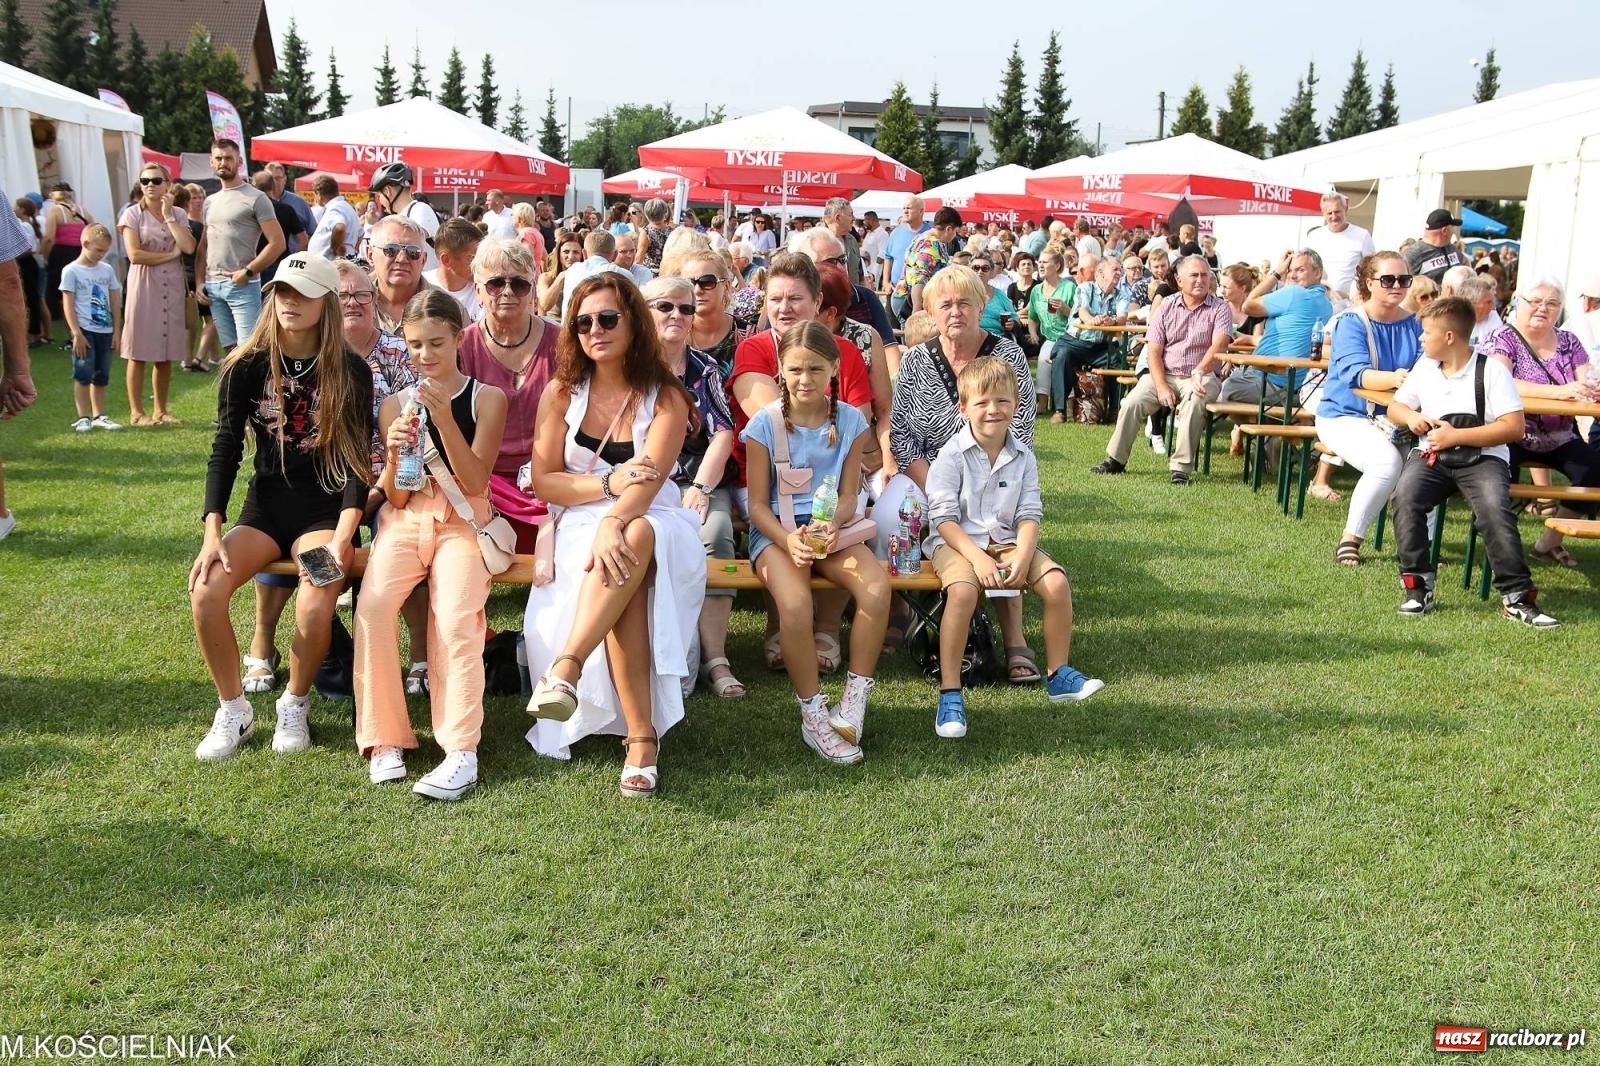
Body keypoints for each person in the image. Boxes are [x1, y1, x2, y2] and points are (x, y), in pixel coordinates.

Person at [522, 272, 705, 797]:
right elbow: (545, 481)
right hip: (580, 517)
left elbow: (648, 484)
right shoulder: (561, 393)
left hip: (655, 515)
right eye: (582, 323)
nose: (594, 330)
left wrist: (613, 518)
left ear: (633, 323)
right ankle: (641, 738)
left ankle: (567, 668)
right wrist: (606, 485)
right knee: (628, 564)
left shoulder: (666, 396)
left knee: (637, 534)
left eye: (607, 318)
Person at [189, 252, 374, 760]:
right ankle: (234, 709)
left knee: (317, 597)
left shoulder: (351, 370)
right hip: (265, 511)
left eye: (304, 293)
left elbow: (358, 463)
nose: (291, 302)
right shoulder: (246, 365)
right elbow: (225, 448)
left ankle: (295, 702)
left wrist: (343, 538)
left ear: (326, 302)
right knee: (205, 589)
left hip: (324, 515)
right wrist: (212, 531)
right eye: (283, 292)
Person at [354, 290, 508, 799]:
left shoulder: (487, 398)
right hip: (407, 518)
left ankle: (461, 750)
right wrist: (396, 450)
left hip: (464, 519)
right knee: (374, 608)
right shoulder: (394, 405)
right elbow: (397, 493)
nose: (425, 355)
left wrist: (442, 419)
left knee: (458, 619)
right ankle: (384, 739)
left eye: (437, 343)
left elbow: (477, 480)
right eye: (416, 344)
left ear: (459, 338)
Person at [926, 357, 1103, 737]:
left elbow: (1029, 513)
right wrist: (977, 559)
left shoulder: (1023, 456)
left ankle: (1058, 674)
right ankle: (950, 692)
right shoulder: (951, 455)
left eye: (1003, 401)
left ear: (1017, 404)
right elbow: (942, 519)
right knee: (962, 593)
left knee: (1056, 583)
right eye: (982, 402)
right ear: (963, 408)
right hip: (956, 543)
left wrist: (1023, 555)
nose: (993, 409)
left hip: (1006, 540)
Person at [883, 265, 1041, 683]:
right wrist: (938, 487)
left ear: (982, 305)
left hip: (994, 472)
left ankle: (1014, 638)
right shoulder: (915, 360)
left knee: (1000, 520)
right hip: (925, 474)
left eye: (964, 303)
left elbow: (1021, 430)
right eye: (946, 304)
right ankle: (900, 611)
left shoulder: (1007, 356)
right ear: (931, 311)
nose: (955, 311)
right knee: (889, 516)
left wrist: (972, 486)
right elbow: (901, 436)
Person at [742, 321, 889, 762]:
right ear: (780, 370)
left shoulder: (850, 422)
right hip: (776, 534)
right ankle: (814, 715)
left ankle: (853, 702)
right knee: (795, 605)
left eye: (815, 369)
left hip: (831, 532)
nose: (804, 379)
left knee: (876, 587)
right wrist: (788, 540)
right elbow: (757, 506)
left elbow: (849, 494)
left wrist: (832, 524)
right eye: (795, 369)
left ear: (834, 369)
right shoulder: (764, 425)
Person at [1387, 298, 1557, 627]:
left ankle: (1517, 598)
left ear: (1449, 337)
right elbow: (1396, 406)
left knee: (1494, 510)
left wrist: (1456, 436)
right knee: (1405, 498)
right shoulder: (1425, 366)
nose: (1421, 338)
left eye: (1427, 332)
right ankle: (1417, 587)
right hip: (1432, 456)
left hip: (1484, 459)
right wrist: (1411, 417)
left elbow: (1513, 427)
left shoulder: (1492, 370)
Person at [644, 276, 743, 699]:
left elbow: (724, 432)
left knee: (716, 532)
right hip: (644, 481)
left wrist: (701, 485)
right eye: (665, 306)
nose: (678, 315)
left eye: (686, 308)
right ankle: (659, 654)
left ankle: (715, 657)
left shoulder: (704, 367)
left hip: (696, 477)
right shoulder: (627, 366)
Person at [1314, 251, 1424, 566]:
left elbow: (1429, 368)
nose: (1397, 286)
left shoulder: (1415, 324)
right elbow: (1356, 374)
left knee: (1428, 467)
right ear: (1369, 282)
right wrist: (1398, 378)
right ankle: (1351, 539)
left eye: (1403, 279)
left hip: (1398, 416)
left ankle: (1419, 546)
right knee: (1386, 463)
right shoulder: (1351, 322)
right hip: (1344, 415)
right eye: (1388, 279)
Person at [1485, 278, 1600, 567]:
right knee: (1494, 479)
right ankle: (1500, 549)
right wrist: (1560, 392)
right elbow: (1501, 381)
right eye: (1535, 301)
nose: (1542, 308)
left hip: (1561, 436)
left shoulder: (1569, 341)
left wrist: (1592, 388)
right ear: (1519, 303)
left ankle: (1549, 542)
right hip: (1510, 432)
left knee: (1596, 471)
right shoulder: (1502, 338)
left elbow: (1586, 377)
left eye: (1551, 303)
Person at [455, 237, 560, 550]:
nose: (508, 292)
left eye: (520, 284)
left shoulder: (561, 342)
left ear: (533, 290)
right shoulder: (462, 346)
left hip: (551, 476)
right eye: (496, 283)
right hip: (482, 480)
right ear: (478, 290)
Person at [1092, 255, 1233, 484]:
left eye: (1204, 275)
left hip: (1202, 375)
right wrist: (1161, 387)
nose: (1200, 280)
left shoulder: (1220, 308)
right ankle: (1115, 459)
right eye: (1194, 275)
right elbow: (1154, 351)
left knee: (1195, 401)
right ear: (1179, 280)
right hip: (1164, 373)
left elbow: (1220, 345)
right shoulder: (1166, 306)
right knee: (1131, 402)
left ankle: (1180, 469)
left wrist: (1199, 371)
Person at [117, 163, 195, 426]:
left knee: (165, 350)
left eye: (156, 180)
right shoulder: (132, 214)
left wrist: (169, 216)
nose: (150, 184)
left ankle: (160, 410)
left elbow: (188, 246)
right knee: (137, 350)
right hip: (144, 285)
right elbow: (134, 254)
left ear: (167, 184)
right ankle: (136, 412)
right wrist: (170, 255)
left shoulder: (179, 214)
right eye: (145, 180)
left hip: (171, 286)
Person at [195, 140, 285, 361]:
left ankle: (261, 386)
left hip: (243, 285)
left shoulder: (256, 198)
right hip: (213, 286)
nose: (223, 162)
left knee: (250, 351)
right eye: (218, 158)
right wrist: (199, 282)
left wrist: (248, 271)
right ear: (211, 162)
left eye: (228, 158)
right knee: (230, 351)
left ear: (239, 162)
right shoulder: (210, 201)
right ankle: (233, 386)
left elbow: (277, 243)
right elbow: (204, 245)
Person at [59, 223, 123, 432]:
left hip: (105, 330)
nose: (101, 255)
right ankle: (83, 417)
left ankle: (99, 415)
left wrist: (117, 330)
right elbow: (68, 304)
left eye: (105, 251)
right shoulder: (71, 271)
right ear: (85, 244)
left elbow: (115, 299)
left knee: (101, 375)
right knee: (83, 374)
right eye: (98, 250)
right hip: (85, 330)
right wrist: (76, 333)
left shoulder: (107, 270)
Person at [1053, 257, 1130, 421]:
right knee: (1061, 356)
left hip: (1101, 346)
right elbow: (1083, 311)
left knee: (1118, 362)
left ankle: (1114, 410)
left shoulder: (1122, 295)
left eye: (1120, 269)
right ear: (1101, 272)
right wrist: (1091, 320)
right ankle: (1060, 410)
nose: (1119, 273)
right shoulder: (1085, 288)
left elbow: (1123, 318)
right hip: (1074, 342)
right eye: (1115, 269)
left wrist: (1113, 321)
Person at [679, 250, 754, 376]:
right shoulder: (672, 335)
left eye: (707, 282)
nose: (697, 290)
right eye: (689, 283)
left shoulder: (749, 336)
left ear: (726, 286)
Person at [1304, 192, 1374, 309]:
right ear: (1323, 213)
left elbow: (1371, 269)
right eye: (1329, 213)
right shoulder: (1314, 236)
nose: (1334, 216)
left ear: (1345, 209)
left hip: (1350, 303)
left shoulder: (1362, 235)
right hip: (1318, 300)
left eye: (1337, 212)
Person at [1027, 249, 1074, 418]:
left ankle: (1069, 404)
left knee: (1062, 358)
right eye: (1039, 262)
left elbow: (1077, 316)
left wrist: (1064, 308)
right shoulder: (1036, 290)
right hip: (1050, 338)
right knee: (1043, 359)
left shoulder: (1069, 287)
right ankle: (1042, 402)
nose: (1040, 265)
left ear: (1057, 265)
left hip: (1069, 337)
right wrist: (1033, 333)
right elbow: (1032, 317)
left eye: (1045, 262)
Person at [892, 207, 961, 320]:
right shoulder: (930, 245)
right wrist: (917, 312)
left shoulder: (925, 237)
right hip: (909, 302)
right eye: (955, 232)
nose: (955, 236)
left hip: (908, 298)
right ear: (949, 229)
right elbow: (919, 278)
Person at [368, 163, 440, 270]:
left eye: (379, 196)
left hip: (425, 279)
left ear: (387, 191)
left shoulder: (419, 209)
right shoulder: (402, 215)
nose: (380, 201)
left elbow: (412, 240)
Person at [368, 215, 434, 332]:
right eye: (391, 249)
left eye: (412, 252)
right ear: (370, 255)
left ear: (423, 260)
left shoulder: (446, 308)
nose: (402, 259)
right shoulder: (349, 304)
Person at [41, 182, 94, 321]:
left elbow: (49, 237)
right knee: (82, 292)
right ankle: (86, 324)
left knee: (65, 293)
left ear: (54, 195)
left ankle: (72, 329)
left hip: (62, 254)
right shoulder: (83, 210)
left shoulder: (55, 210)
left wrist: (44, 255)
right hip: (81, 253)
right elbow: (94, 231)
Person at [422, 218, 483, 323]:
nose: (480, 263)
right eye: (473, 258)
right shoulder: (421, 285)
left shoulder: (486, 289)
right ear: (446, 260)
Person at [249, 171, 306, 284]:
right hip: (281, 264)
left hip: (254, 265)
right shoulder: (286, 209)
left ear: (253, 187)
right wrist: (291, 260)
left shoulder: (250, 210)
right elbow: (303, 240)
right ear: (273, 186)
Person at [561, 229, 630, 318]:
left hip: (571, 325)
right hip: (609, 325)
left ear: (584, 253)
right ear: (615, 255)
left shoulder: (572, 271)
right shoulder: (624, 275)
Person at [1404, 210, 1466, 286]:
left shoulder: (1452, 249)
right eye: (1452, 227)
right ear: (1445, 231)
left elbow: (1465, 263)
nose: (1453, 232)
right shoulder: (1414, 254)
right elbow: (1404, 284)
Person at [307, 175, 360, 260]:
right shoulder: (347, 207)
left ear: (319, 193)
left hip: (330, 262)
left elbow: (339, 228)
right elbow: (361, 233)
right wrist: (352, 250)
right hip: (340, 261)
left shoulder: (335, 208)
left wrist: (335, 249)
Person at [537, 231, 583, 318]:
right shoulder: (546, 278)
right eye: (566, 251)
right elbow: (545, 306)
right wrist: (561, 277)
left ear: (582, 254)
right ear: (558, 254)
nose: (570, 256)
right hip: (553, 324)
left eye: (576, 252)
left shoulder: (586, 278)